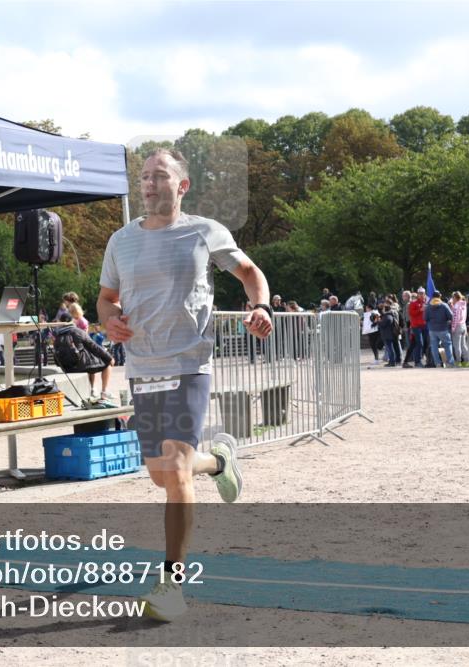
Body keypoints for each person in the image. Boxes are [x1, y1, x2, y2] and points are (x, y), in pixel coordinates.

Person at [97, 148, 272, 621]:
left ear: (182, 185)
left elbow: (250, 273)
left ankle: (171, 585)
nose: (149, 184)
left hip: (189, 364)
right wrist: (110, 319)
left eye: (159, 176)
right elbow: (106, 297)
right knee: (162, 475)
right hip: (142, 367)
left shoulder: (204, 231)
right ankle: (218, 461)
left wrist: (261, 307)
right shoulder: (120, 240)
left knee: (174, 472)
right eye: (144, 177)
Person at [53, 314, 115, 405]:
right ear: (72, 321)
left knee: (91, 361)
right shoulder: (77, 331)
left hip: (66, 368)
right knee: (107, 364)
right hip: (80, 365)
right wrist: (109, 358)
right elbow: (94, 346)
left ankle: (93, 390)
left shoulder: (57, 336)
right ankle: (104, 392)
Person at [424, 291, 454, 367]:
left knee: (434, 347)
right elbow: (451, 316)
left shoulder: (428, 306)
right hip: (443, 328)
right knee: (447, 345)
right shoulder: (444, 305)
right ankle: (450, 363)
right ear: (439, 296)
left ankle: (437, 363)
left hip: (432, 329)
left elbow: (425, 318)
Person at [403, 288, 428, 368]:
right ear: (417, 294)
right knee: (420, 343)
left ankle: (406, 361)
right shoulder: (413, 303)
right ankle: (418, 361)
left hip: (424, 326)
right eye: (420, 293)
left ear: (424, 294)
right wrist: (420, 310)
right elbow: (411, 313)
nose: (421, 295)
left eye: (422, 293)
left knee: (415, 344)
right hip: (416, 326)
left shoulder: (426, 303)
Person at [449, 292, 469, 367]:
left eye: (453, 297)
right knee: (463, 344)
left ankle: (458, 362)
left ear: (455, 298)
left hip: (457, 326)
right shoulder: (463, 304)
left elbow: (455, 318)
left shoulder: (456, 306)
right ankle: (466, 361)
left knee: (457, 345)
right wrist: (452, 306)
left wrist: (453, 328)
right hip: (463, 325)